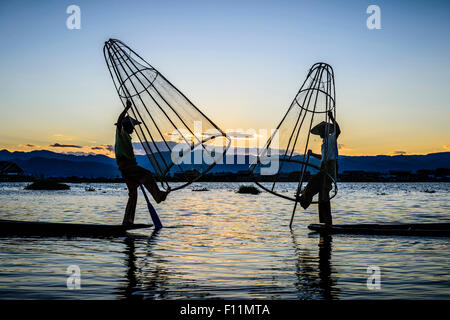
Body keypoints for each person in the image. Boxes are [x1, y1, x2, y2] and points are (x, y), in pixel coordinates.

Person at [115, 100, 168, 225]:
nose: (133, 128)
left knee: (133, 194)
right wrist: (127, 107)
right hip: (127, 166)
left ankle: (128, 220)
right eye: (132, 126)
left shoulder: (127, 136)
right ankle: (158, 196)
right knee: (148, 174)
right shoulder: (121, 132)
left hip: (127, 167)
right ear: (126, 126)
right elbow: (120, 120)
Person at [298, 110, 340, 223]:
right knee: (322, 192)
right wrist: (312, 155)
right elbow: (323, 157)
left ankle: (304, 198)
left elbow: (338, 130)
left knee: (315, 182)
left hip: (331, 166)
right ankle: (325, 221)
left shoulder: (331, 138)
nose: (320, 132)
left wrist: (331, 117)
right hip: (324, 166)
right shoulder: (324, 143)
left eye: (322, 130)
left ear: (326, 131)